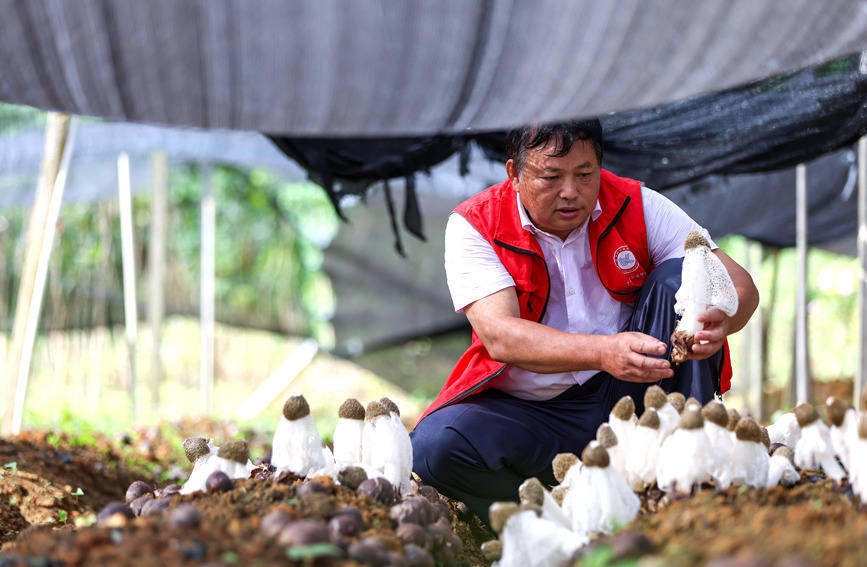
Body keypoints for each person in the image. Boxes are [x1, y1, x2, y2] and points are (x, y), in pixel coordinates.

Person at [409, 118, 759, 528]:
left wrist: (720, 318)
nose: (571, 192)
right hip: (532, 415)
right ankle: (550, 523)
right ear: (514, 174)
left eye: (585, 174)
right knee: (435, 447)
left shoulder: (636, 203)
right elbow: (500, 336)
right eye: (551, 176)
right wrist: (603, 352)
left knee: (685, 276)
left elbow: (737, 283)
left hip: (638, 395)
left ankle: (686, 482)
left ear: (600, 167)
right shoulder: (475, 224)